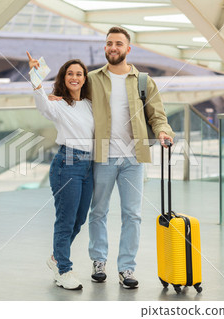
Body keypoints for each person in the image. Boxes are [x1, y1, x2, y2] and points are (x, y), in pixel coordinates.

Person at [87, 27, 175, 289]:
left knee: (132, 215)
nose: (113, 47)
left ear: (128, 49)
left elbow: (157, 115)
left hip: (133, 159)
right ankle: (98, 261)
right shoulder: (92, 79)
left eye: (118, 43)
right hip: (102, 156)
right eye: (109, 43)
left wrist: (162, 131)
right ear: (105, 48)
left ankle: (126, 268)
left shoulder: (142, 81)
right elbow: (71, 100)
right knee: (98, 211)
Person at [27, 52, 94, 290]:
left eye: (79, 74)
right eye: (69, 74)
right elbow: (41, 104)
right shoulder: (57, 104)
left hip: (89, 166)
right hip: (67, 164)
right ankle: (64, 270)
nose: (74, 77)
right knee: (65, 220)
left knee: (79, 219)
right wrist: (35, 76)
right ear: (63, 78)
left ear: (85, 78)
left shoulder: (89, 104)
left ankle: (56, 258)